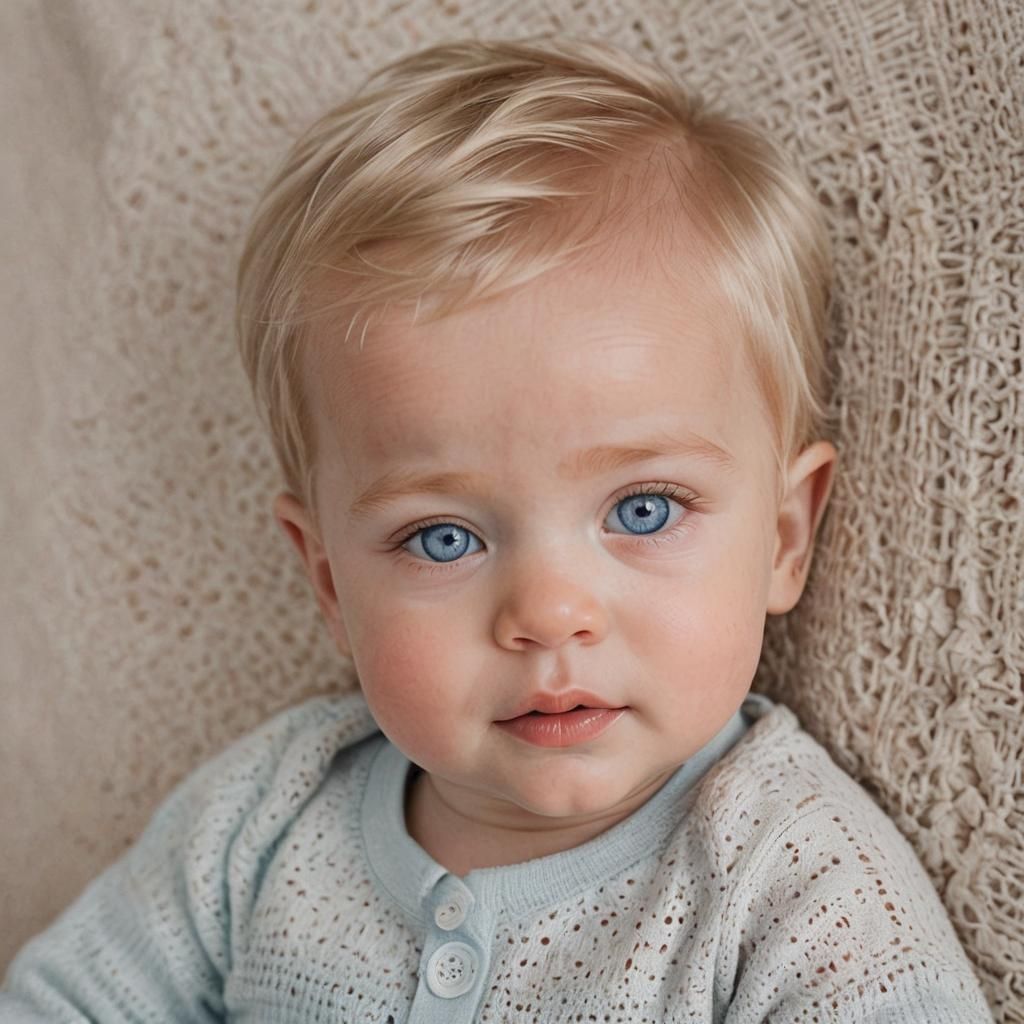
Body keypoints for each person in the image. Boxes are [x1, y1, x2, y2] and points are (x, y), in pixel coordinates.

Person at [1, 33, 994, 1023]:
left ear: (782, 536)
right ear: (330, 581)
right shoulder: (265, 817)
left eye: (641, 510)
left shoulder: (799, 886)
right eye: (443, 537)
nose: (548, 614)